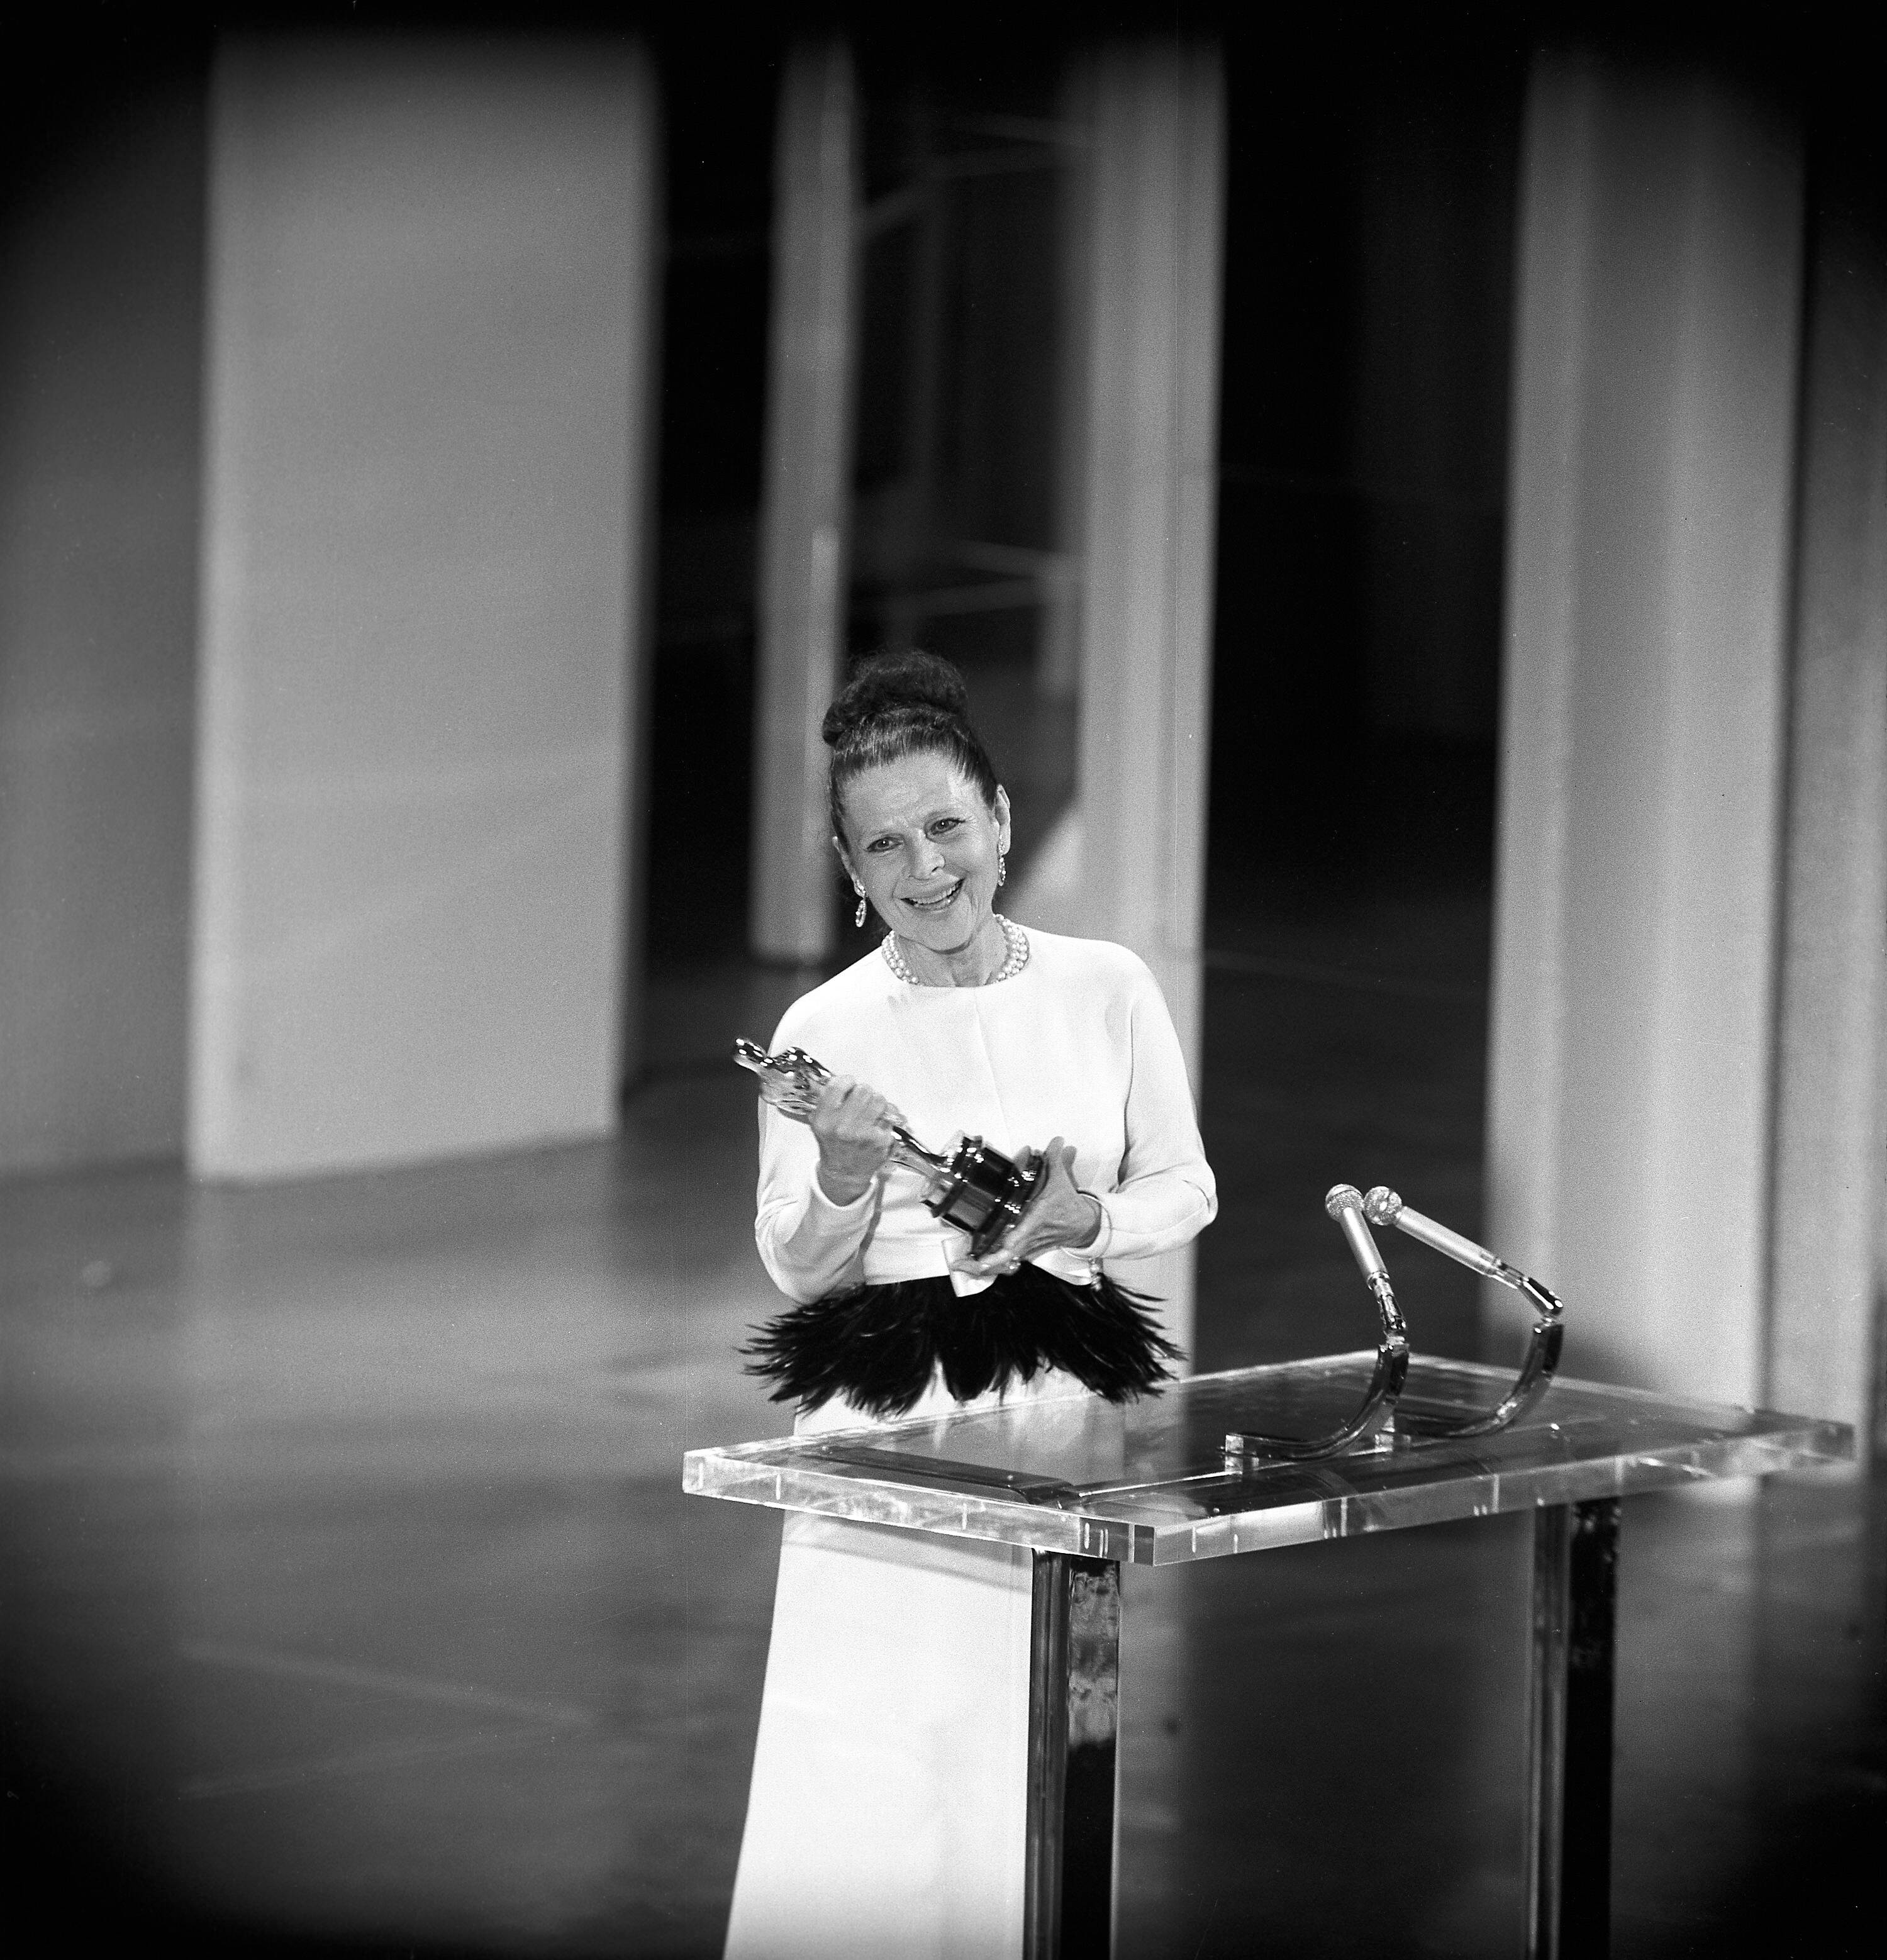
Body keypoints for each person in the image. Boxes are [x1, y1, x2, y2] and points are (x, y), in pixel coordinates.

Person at [723, 652, 1216, 1960]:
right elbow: (796, 1265)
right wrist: (840, 1174)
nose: (926, 866)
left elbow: (1186, 1185)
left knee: (1036, 1735)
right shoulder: (826, 1024)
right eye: (885, 845)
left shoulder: (1107, 985)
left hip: (1055, 1403)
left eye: (946, 825)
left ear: (998, 817)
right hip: (888, 1412)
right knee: (867, 1753)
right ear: (850, 869)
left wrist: (1085, 1221)